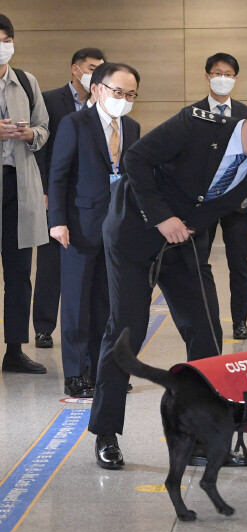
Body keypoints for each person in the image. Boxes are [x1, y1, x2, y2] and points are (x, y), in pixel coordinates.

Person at [87, 87, 247, 470]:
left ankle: (199, 439)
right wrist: (161, 216)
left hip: (186, 243)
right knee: (128, 329)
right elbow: (136, 158)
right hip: (136, 230)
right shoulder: (196, 125)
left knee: (206, 331)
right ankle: (106, 434)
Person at [48, 62, 141, 398]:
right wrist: (57, 220)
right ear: (99, 88)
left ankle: (102, 369)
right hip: (78, 227)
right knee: (76, 303)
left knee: (106, 303)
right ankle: (75, 373)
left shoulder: (132, 126)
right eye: (119, 92)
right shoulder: (75, 124)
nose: (124, 99)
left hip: (116, 229)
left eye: (131, 94)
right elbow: (58, 174)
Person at [33, 48, 106, 350]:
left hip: (91, 198)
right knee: (51, 264)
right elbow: (43, 151)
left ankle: (85, 327)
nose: (96, 73)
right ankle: (44, 326)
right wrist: (45, 189)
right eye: (92, 68)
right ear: (76, 70)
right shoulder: (51, 100)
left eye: (101, 68)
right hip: (57, 192)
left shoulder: (105, 103)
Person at [0, 14, 49, 374]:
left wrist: (31, 135)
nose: (3, 46)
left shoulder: (26, 82)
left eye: (6, 39)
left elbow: (44, 128)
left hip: (18, 186)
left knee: (19, 273)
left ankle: (14, 350)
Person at [194, 52, 247, 342]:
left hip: (236, 203)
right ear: (207, 76)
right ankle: (202, 317)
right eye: (218, 73)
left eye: (228, 74)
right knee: (198, 262)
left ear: (235, 79)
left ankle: (240, 320)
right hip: (203, 202)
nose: (223, 79)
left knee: (239, 263)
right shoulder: (192, 113)